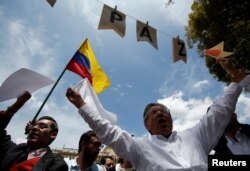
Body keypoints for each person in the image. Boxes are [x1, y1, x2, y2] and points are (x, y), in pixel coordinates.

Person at [66, 58, 250, 171]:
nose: (161, 114)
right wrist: (82, 105)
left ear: (171, 119)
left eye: (164, 111)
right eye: (154, 113)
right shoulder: (138, 147)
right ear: (146, 124)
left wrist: (237, 81)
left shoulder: (195, 135)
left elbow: (220, 111)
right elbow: (107, 131)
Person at [0, 91, 68, 171]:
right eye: (35, 125)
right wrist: (16, 106)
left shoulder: (56, 163)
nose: (35, 128)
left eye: (42, 126)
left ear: (52, 134)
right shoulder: (14, 149)